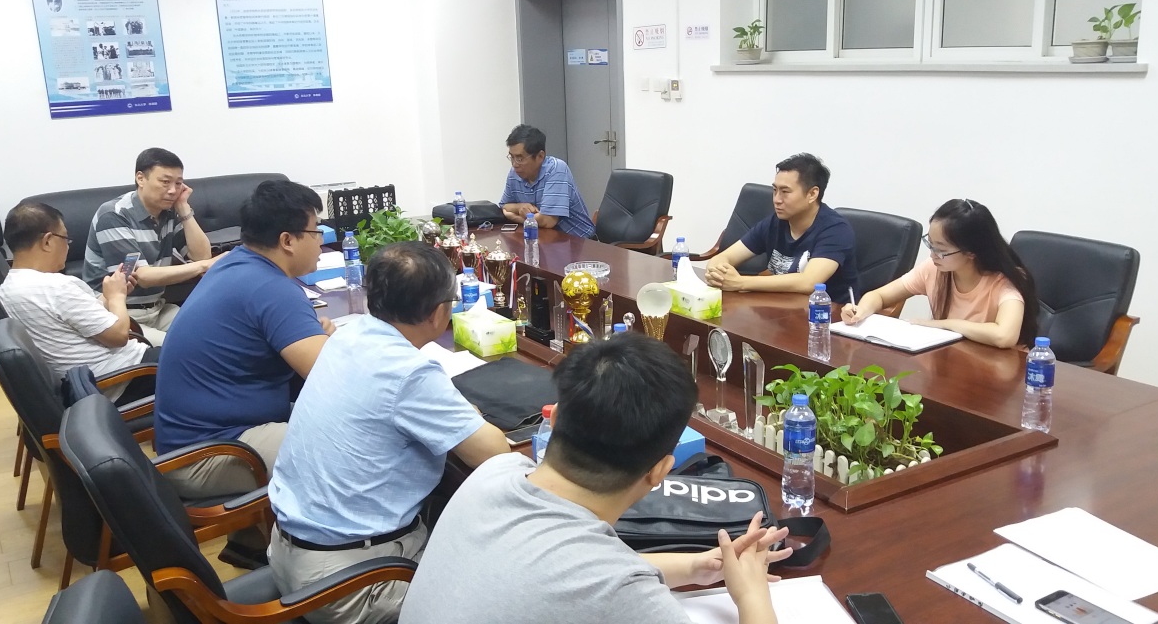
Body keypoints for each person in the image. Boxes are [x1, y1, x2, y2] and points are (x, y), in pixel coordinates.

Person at [400, 332, 790, 624]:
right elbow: (597, 580)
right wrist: (752, 596)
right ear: (660, 471)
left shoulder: (494, 472)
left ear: (553, 419)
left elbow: (569, 571)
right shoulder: (618, 592)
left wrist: (692, 567)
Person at [268, 241, 510, 624]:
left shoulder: (347, 335)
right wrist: (466, 416)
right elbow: (495, 453)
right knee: (507, 594)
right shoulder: (409, 373)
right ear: (439, 312)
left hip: (291, 555)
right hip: (354, 582)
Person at [154, 179, 334, 568]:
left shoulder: (234, 263)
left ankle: (250, 543)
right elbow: (333, 377)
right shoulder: (271, 288)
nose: (322, 241)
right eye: (317, 231)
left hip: (188, 439)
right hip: (208, 453)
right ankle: (315, 565)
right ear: (288, 240)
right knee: (340, 445)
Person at [0, 202, 156, 404]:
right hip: (122, 380)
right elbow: (118, 336)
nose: (68, 246)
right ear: (48, 241)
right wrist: (117, 298)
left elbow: (74, 317)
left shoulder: (6, 289)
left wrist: (111, 294)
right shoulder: (56, 287)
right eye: (65, 238)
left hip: (89, 380)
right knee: (192, 356)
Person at [841, 198, 1038, 349]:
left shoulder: (1005, 280)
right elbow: (879, 296)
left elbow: (1004, 336)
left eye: (941, 250)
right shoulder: (934, 269)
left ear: (971, 252)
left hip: (1006, 372)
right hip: (956, 360)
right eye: (930, 244)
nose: (932, 254)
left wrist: (942, 324)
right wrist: (861, 311)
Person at [82, 148, 220, 345]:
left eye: (178, 183)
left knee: (216, 334)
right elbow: (143, 277)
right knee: (185, 348)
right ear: (140, 178)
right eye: (165, 182)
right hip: (118, 315)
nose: (173, 190)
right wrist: (204, 266)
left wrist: (183, 208)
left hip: (158, 309)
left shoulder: (169, 212)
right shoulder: (114, 215)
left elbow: (201, 255)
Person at [706, 153, 859, 297]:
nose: (776, 200)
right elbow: (724, 257)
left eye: (785, 192)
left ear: (812, 194)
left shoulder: (836, 230)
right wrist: (717, 272)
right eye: (775, 190)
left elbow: (809, 282)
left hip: (827, 312)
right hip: (780, 305)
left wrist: (740, 282)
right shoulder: (774, 222)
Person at [499, 124, 596, 238]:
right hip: (545, 239)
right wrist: (519, 207)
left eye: (520, 158)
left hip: (579, 241)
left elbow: (547, 221)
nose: (515, 164)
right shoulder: (514, 173)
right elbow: (504, 207)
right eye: (512, 157)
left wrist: (515, 217)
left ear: (540, 156)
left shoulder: (556, 169)